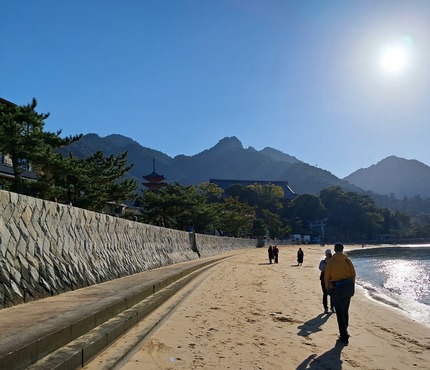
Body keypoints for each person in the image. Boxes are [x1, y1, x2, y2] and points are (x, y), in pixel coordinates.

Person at [324, 243, 356, 345]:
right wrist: (352, 287)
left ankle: (344, 335)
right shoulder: (347, 260)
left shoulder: (331, 261)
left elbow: (327, 276)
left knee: (340, 313)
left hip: (336, 289)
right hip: (347, 288)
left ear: (334, 250)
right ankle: (345, 330)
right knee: (345, 311)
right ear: (342, 249)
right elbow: (353, 275)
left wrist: (327, 288)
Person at [319, 249, 334, 314]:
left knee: (332, 294)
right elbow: (321, 268)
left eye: (329, 254)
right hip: (323, 279)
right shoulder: (322, 261)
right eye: (327, 254)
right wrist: (326, 263)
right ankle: (326, 308)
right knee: (325, 294)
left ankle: (332, 307)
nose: (328, 255)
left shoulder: (333, 261)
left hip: (331, 280)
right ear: (325, 254)